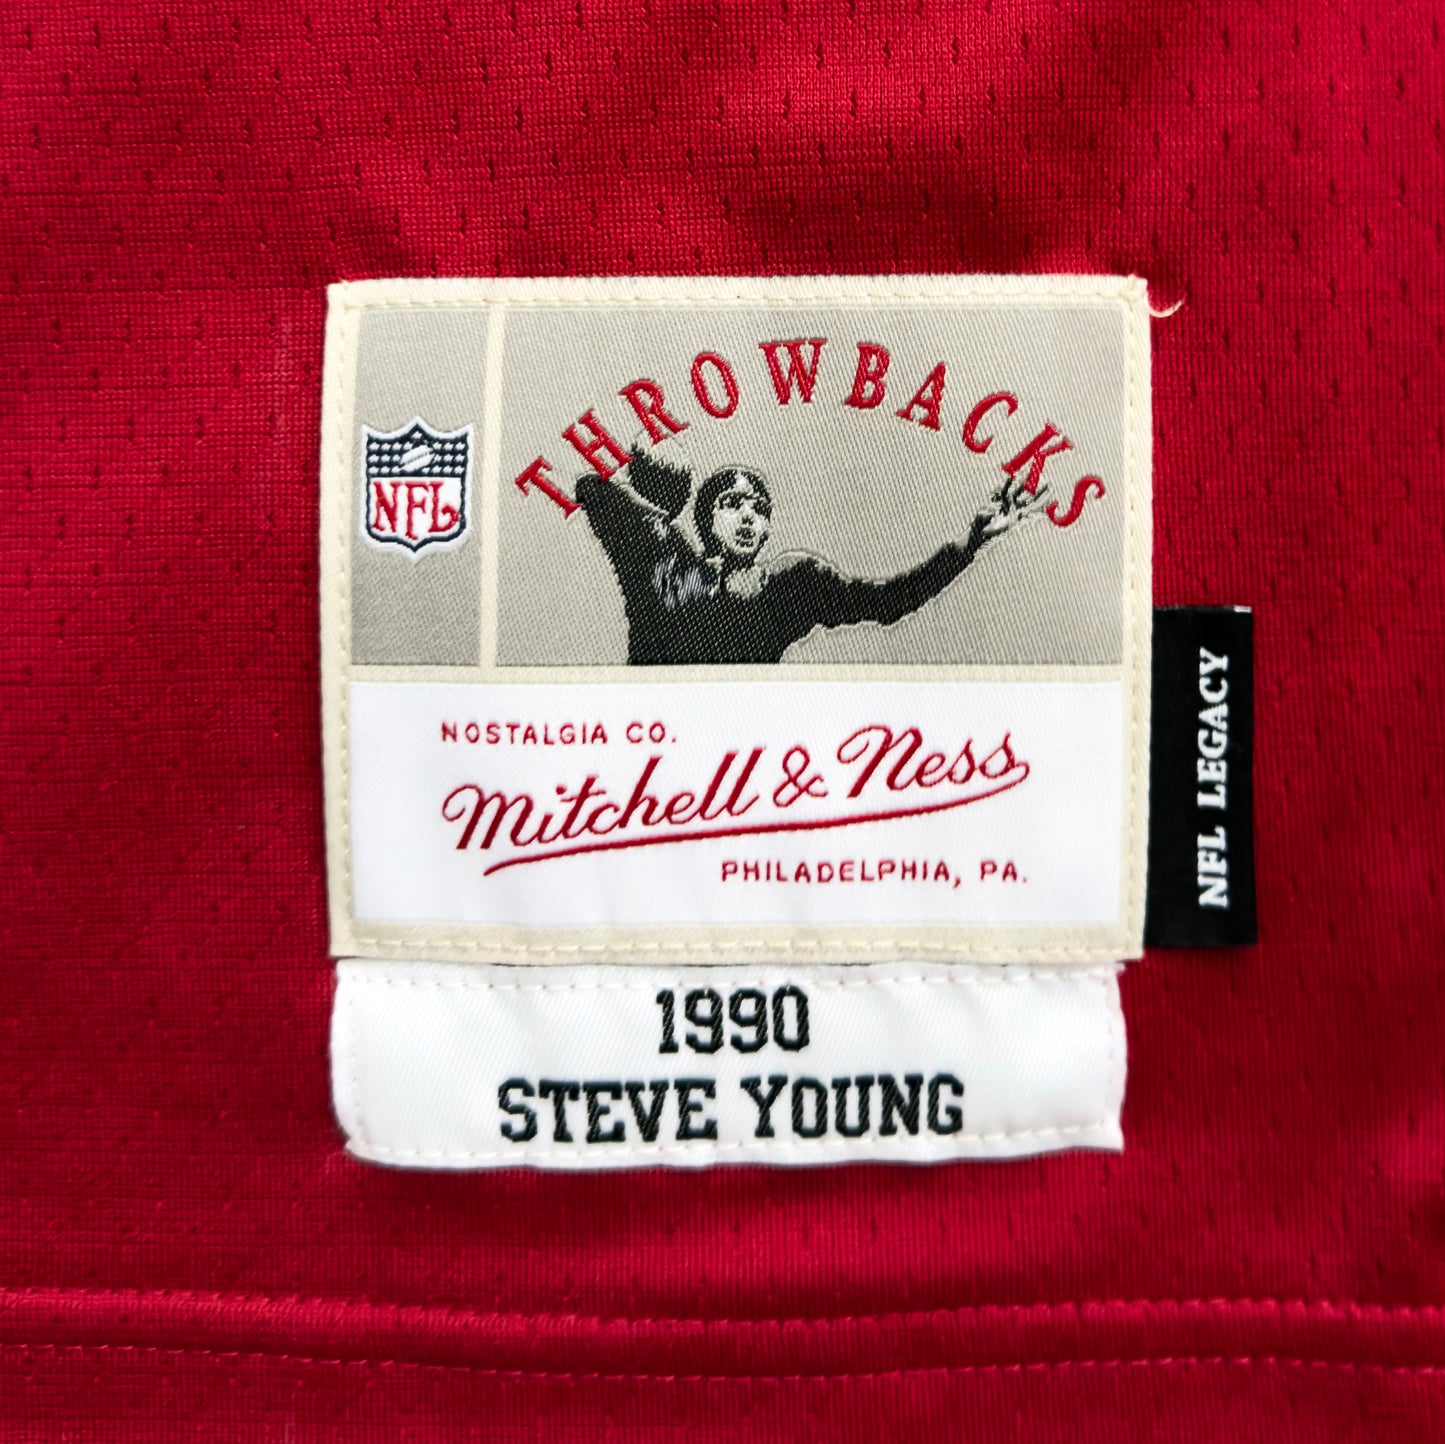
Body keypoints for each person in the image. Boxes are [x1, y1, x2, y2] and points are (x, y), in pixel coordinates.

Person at [574, 448, 1047, 665]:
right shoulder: (663, 560)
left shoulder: (790, 584)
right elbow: (590, 489)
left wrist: (969, 545)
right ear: (704, 519)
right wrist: (655, 501)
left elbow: (888, 602)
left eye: (759, 509)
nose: (748, 516)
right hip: (648, 734)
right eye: (732, 503)